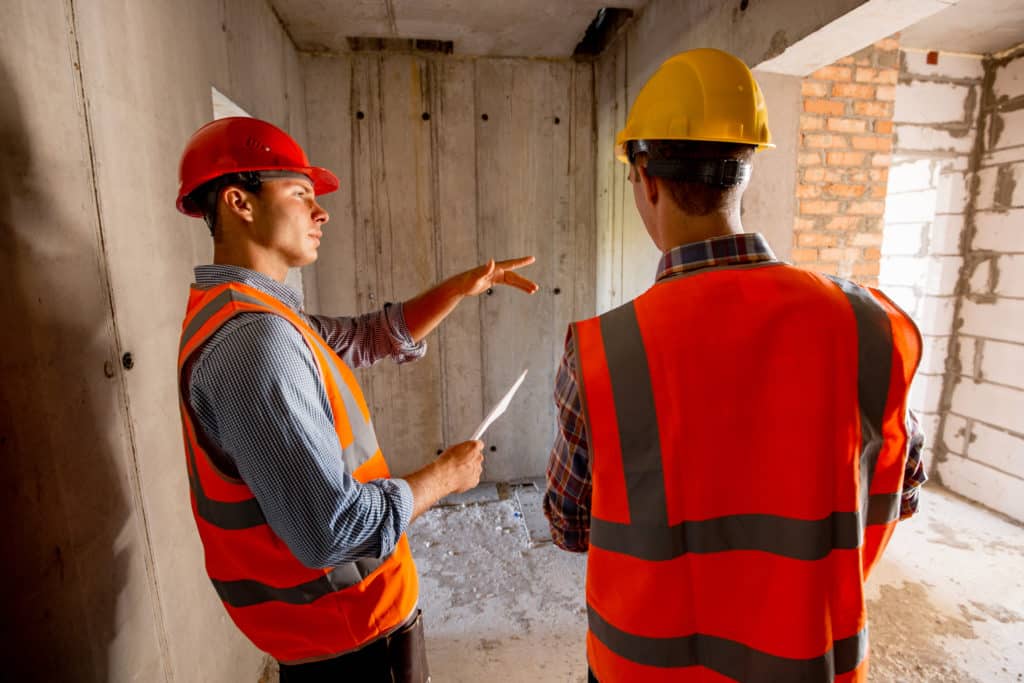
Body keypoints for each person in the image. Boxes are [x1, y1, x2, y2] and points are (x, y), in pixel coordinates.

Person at [544, 48, 926, 683]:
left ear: (647, 178)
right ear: (744, 173)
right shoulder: (872, 326)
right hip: (809, 663)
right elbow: (901, 491)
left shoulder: (603, 351)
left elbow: (569, 524)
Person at [174, 116, 537, 681]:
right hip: (350, 647)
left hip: (343, 632)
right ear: (239, 203)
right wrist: (445, 478)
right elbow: (331, 531)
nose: (321, 214)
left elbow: (369, 336)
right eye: (300, 195)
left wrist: (461, 288)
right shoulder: (255, 342)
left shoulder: (259, 313)